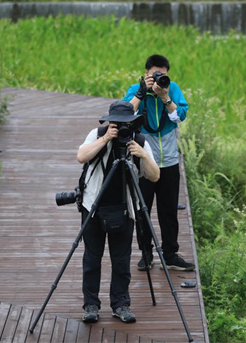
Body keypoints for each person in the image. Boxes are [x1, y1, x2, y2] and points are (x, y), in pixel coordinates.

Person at [77, 100, 160, 324]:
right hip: (93, 206)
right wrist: (106, 139)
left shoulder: (139, 141)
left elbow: (154, 176)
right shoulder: (98, 133)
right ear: (110, 122)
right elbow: (81, 156)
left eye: (126, 124)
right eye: (117, 124)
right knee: (92, 259)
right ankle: (91, 305)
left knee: (121, 260)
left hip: (125, 209)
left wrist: (142, 155)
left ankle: (121, 304)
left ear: (133, 123)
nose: (122, 128)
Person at [123, 54, 195, 272]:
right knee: (142, 209)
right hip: (145, 162)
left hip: (170, 160)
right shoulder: (136, 89)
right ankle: (146, 254)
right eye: (154, 74)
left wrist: (165, 97)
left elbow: (179, 116)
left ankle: (170, 254)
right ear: (146, 73)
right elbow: (124, 113)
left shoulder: (172, 88)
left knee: (169, 210)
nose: (158, 78)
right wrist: (141, 92)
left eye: (162, 75)